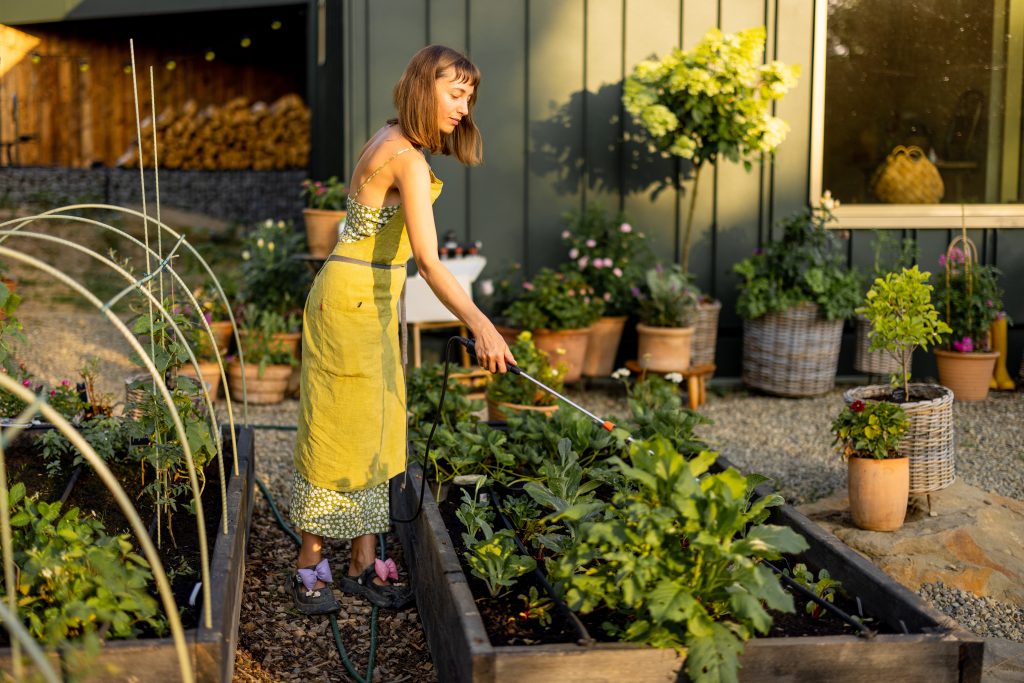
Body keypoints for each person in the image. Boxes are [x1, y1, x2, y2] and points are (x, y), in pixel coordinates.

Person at [289, 45, 516, 614]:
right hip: (351, 303)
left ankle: (363, 561)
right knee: (339, 428)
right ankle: (308, 563)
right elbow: (431, 263)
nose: (464, 108)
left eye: (469, 97)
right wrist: (482, 325)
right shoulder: (406, 159)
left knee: (379, 426)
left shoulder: (391, 136)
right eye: (455, 94)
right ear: (423, 88)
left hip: (367, 297)